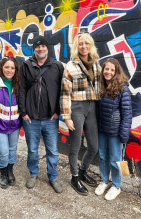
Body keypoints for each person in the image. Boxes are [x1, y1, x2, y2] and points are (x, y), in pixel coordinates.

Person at [19, 35, 64, 193]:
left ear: (47, 47)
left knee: (52, 150)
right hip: (31, 119)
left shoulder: (57, 66)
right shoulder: (26, 65)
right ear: (34, 49)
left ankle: (53, 177)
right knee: (32, 149)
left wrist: (58, 111)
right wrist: (23, 112)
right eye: (37, 46)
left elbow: (61, 91)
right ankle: (33, 173)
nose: (40, 49)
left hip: (50, 118)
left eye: (43, 46)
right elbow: (22, 89)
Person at [60, 31, 100, 195]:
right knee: (75, 146)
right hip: (76, 107)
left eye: (86, 43)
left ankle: (83, 171)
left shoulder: (97, 64)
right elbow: (64, 93)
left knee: (94, 146)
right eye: (81, 44)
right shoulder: (70, 66)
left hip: (92, 107)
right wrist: (67, 116)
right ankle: (74, 177)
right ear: (77, 47)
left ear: (90, 45)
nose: (84, 46)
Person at [95, 58, 132, 200]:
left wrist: (124, 133)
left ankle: (117, 186)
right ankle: (104, 181)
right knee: (103, 157)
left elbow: (127, 113)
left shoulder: (123, 88)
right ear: (103, 70)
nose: (108, 72)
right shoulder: (101, 86)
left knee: (116, 160)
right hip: (102, 130)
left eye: (112, 70)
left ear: (116, 72)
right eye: (106, 69)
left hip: (116, 133)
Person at [0, 56, 21, 189]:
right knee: (3, 151)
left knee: (12, 150)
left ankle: (10, 171)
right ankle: (3, 173)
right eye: (6, 67)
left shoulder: (18, 83)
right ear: (1, 68)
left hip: (14, 125)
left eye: (12, 68)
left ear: (15, 70)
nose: (9, 70)